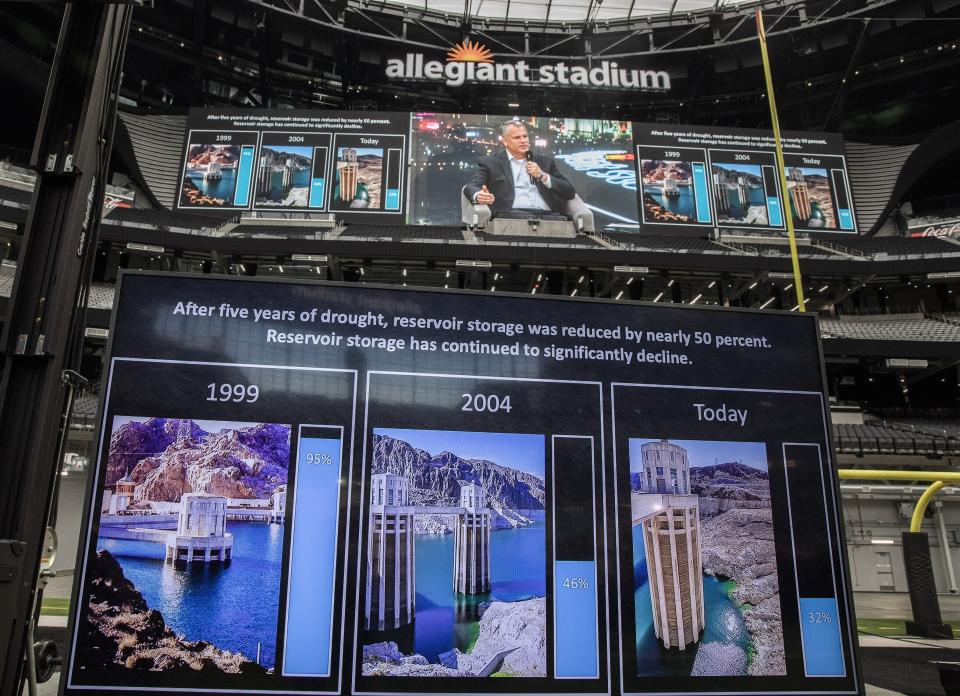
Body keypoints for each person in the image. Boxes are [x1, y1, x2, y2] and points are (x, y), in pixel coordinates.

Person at [463, 120, 576, 216]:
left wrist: (543, 176)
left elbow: (569, 192)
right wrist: (478, 196)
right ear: (505, 141)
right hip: (510, 216)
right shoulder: (490, 162)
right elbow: (471, 187)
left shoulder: (545, 162)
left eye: (525, 136)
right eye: (517, 137)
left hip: (547, 217)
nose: (523, 140)